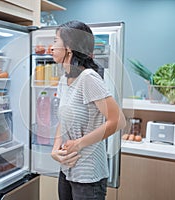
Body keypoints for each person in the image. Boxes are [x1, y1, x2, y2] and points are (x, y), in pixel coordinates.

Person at [50, 20, 126, 200]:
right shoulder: (64, 80)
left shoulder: (88, 78)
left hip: (88, 174)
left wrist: (78, 144)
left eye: (55, 41)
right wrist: (55, 150)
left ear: (68, 47)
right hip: (67, 169)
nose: (51, 47)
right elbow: (64, 120)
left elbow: (118, 121)